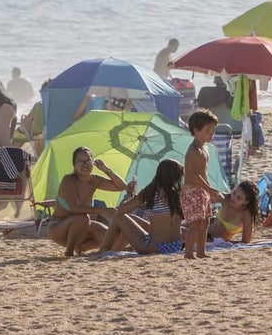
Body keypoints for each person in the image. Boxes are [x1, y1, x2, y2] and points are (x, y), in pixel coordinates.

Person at [48, 146, 130, 257]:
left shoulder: (95, 180)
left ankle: (81, 248)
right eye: (80, 161)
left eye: (87, 160)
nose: (84, 164)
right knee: (83, 218)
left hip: (84, 226)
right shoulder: (68, 180)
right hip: (59, 229)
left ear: (93, 162)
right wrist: (103, 210)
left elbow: (122, 186)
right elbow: (74, 208)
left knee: (113, 238)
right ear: (74, 165)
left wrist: (106, 169)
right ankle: (69, 251)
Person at [94, 159, 184, 257]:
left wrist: (129, 193)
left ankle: (101, 251)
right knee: (132, 217)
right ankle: (114, 250)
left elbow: (121, 210)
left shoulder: (150, 192)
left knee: (119, 216)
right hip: (176, 246)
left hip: (154, 247)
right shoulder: (180, 194)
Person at [182, 109, 223, 259]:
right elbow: (193, 175)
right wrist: (210, 189)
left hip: (202, 190)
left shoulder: (204, 148)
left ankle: (201, 251)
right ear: (196, 131)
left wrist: (208, 190)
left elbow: (203, 174)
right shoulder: (193, 150)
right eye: (208, 130)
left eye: (213, 130)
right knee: (195, 224)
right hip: (192, 190)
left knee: (205, 223)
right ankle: (188, 253)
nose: (212, 133)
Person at [209, 180, 260, 244]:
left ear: (246, 202)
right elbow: (208, 199)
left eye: (238, 198)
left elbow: (246, 241)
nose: (233, 198)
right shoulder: (227, 198)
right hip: (205, 230)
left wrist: (223, 242)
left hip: (212, 240)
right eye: (234, 193)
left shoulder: (245, 214)